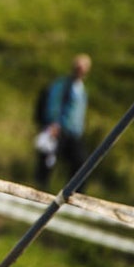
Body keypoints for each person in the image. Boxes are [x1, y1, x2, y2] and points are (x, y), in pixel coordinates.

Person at [34, 53, 92, 190]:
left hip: (74, 132)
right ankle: (41, 187)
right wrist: (53, 123)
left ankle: (74, 191)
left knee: (80, 161)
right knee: (49, 159)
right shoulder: (62, 85)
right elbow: (54, 103)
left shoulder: (82, 90)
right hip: (59, 129)